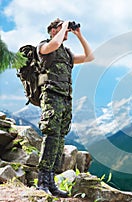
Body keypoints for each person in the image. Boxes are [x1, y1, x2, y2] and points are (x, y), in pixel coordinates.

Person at [36, 18, 94, 197]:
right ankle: (42, 181)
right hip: (51, 96)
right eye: (63, 29)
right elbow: (54, 43)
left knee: (60, 137)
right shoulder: (44, 47)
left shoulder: (67, 53)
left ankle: (51, 182)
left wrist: (79, 34)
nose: (66, 32)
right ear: (53, 30)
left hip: (65, 99)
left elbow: (89, 57)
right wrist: (63, 25)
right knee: (51, 135)